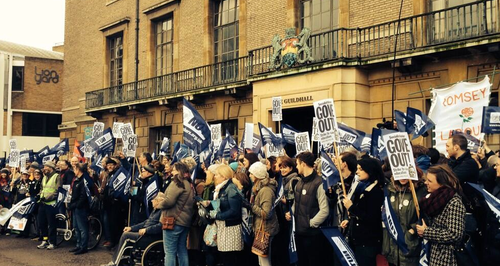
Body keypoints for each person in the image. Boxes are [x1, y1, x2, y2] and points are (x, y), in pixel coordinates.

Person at [285, 151, 329, 266]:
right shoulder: (299, 182)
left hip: (312, 235)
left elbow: (324, 210)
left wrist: (310, 223)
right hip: (299, 233)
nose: (296, 166)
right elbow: (296, 203)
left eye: (297, 164)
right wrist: (291, 213)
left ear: (303, 164)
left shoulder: (319, 183)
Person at [417, 165, 466, 266]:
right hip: (433, 252)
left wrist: (426, 231)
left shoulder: (454, 203)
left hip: (446, 258)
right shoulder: (433, 199)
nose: (426, 183)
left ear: (441, 183)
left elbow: (454, 234)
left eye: (430, 181)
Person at [101, 192, 165, 266]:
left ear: (159, 201)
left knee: (125, 236)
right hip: (145, 234)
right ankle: (121, 258)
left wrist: (146, 230)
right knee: (126, 234)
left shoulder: (162, 212)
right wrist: (131, 228)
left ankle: (114, 263)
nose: (151, 201)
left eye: (154, 200)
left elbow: (160, 226)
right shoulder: (155, 211)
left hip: (148, 236)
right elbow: (145, 223)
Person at [341, 157, 384, 266]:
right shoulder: (360, 187)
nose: (357, 172)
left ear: (369, 170)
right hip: (357, 240)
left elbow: (371, 217)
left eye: (360, 169)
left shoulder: (376, 191)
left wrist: (351, 207)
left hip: (368, 243)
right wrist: (350, 220)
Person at [382, 172, 426, 266]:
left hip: (410, 244)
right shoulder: (390, 190)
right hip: (392, 244)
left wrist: (412, 231)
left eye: (406, 173)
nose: (403, 177)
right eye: (400, 173)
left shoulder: (420, 190)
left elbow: (426, 216)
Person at [158, 162, 195, 266]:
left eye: (174, 169)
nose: (172, 171)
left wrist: (159, 204)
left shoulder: (177, 182)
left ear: (179, 171)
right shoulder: (189, 184)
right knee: (182, 249)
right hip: (185, 221)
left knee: (170, 252)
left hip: (173, 221)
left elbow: (169, 201)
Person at [206, 164, 244, 266]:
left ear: (224, 177)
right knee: (225, 257)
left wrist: (217, 215)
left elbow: (234, 210)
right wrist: (209, 204)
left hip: (230, 228)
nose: (215, 176)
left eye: (217, 175)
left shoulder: (230, 188)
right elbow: (221, 205)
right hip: (223, 227)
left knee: (229, 259)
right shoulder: (220, 189)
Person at [248, 162, 279, 266]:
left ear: (257, 176)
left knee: (264, 261)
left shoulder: (265, 190)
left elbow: (266, 213)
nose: (250, 176)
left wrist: (251, 206)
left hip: (266, 229)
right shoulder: (259, 189)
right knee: (261, 259)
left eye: (252, 174)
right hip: (262, 229)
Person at [37, 161, 61, 250]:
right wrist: (40, 196)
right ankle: (45, 240)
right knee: (42, 223)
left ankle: (52, 242)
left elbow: (58, 190)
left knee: (51, 224)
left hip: (51, 204)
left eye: (46, 167)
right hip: (42, 203)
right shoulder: (44, 177)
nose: (44, 169)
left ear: (50, 168)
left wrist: (49, 197)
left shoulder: (56, 176)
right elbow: (42, 188)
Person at [68, 163, 90, 255]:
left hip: (81, 208)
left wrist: (76, 205)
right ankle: (78, 245)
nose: (74, 171)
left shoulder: (84, 180)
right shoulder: (76, 180)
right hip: (75, 207)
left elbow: (83, 196)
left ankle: (83, 247)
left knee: (82, 228)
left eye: (74, 169)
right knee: (76, 227)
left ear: (78, 170)